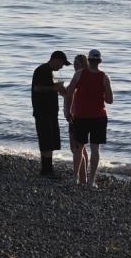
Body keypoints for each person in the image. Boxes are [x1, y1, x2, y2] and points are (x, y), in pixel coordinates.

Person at [65, 49, 113, 188]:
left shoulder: (79, 74)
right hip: (99, 117)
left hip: (81, 116)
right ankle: (91, 181)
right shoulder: (104, 77)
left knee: (78, 147)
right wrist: (99, 94)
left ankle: (75, 178)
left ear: (89, 60)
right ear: (100, 61)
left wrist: (68, 111)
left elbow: (69, 93)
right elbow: (109, 100)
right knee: (95, 149)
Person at [31, 50, 70, 176]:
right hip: (43, 111)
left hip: (49, 112)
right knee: (46, 141)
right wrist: (55, 88)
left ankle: (47, 169)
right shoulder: (43, 69)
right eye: (61, 63)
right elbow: (37, 88)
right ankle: (46, 170)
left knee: (50, 141)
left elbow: (46, 87)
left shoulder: (49, 72)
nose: (61, 67)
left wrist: (60, 89)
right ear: (55, 59)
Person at [62, 54, 87, 182]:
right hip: (76, 114)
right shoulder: (82, 76)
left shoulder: (79, 77)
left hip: (76, 115)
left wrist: (64, 92)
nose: (75, 66)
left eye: (78, 64)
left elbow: (72, 94)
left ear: (84, 64)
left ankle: (80, 176)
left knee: (75, 147)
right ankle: (84, 176)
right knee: (81, 147)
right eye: (74, 64)